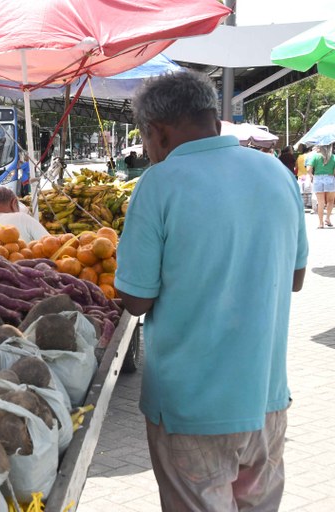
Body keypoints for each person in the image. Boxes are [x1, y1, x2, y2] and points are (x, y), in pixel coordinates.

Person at [114, 71, 308, 511]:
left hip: (191, 411)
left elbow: (137, 299)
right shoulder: (277, 173)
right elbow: (295, 279)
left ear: (157, 132)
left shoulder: (159, 184)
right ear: (213, 122)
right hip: (266, 402)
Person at [307, 144, 335, 228]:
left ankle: (320, 223)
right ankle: (328, 219)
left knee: (320, 202)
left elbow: (308, 169)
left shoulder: (315, 156)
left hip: (318, 179)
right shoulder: (333, 157)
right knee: (330, 201)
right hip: (330, 178)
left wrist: (312, 176)